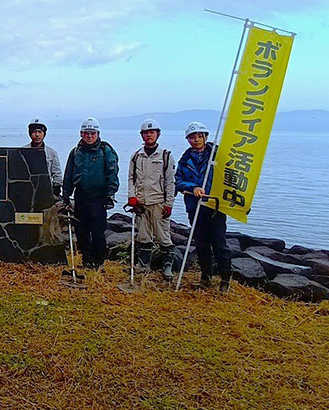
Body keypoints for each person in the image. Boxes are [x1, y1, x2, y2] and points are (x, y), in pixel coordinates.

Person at [175, 121, 232, 293]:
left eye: (200, 136)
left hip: (215, 205)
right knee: (201, 243)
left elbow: (230, 175)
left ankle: (225, 279)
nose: (196, 140)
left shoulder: (218, 155)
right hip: (195, 205)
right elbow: (178, 181)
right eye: (192, 137)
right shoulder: (184, 160)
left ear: (206, 137)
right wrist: (193, 187)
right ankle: (206, 276)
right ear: (188, 140)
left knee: (219, 242)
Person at [62, 117, 119, 268]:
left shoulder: (106, 151)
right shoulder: (75, 152)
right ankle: (86, 260)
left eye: (92, 133)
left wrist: (110, 194)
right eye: (86, 133)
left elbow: (112, 174)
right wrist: (66, 194)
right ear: (81, 134)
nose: (89, 136)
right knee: (81, 231)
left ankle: (98, 261)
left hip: (99, 197)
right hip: (80, 196)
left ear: (98, 133)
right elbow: (68, 174)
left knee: (98, 231)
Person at [127, 119, 177, 281]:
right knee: (143, 236)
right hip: (141, 203)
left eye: (152, 132)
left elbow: (170, 182)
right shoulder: (136, 156)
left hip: (158, 203)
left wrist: (169, 204)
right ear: (141, 135)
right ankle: (143, 265)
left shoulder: (166, 156)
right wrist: (131, 197)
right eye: (145, 133)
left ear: (158, 134)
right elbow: (131, 178)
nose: (148, 135)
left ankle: (167, 267)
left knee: (163, 237)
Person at [22, 118, 62, 198]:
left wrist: (55, 192)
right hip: (27, 192)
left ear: (44, 134)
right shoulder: (22, 151)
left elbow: (57, 174)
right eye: (34, 132)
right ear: (30, 134)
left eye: (40, 132)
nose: (37, 135)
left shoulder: (52, 153)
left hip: (47, 192)